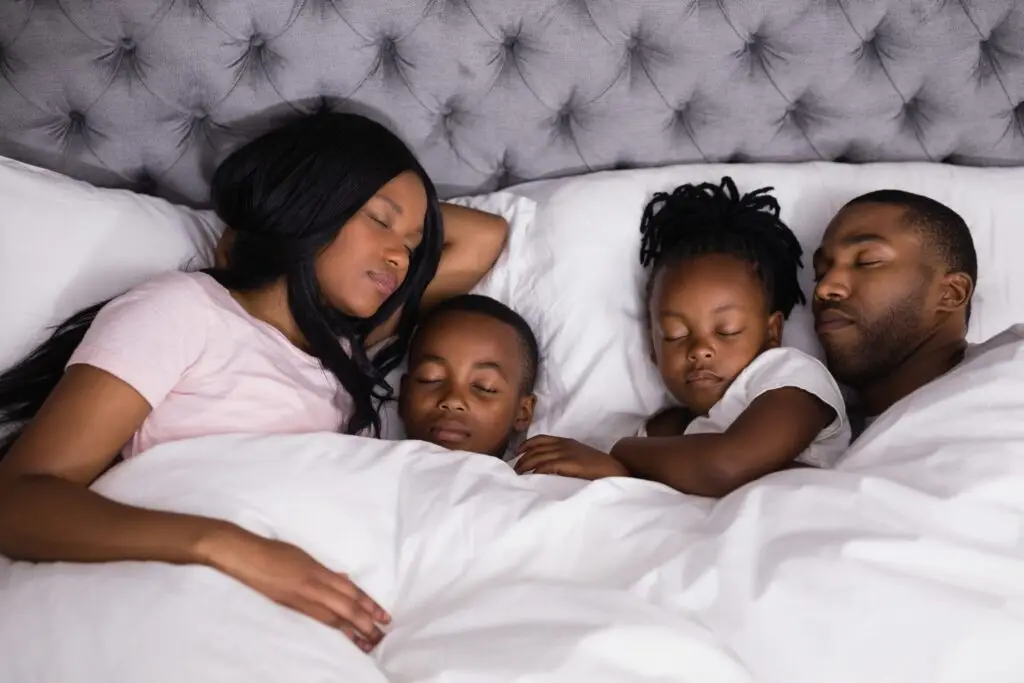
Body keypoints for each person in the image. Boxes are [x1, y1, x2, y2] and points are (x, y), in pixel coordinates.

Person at [0, 112, 509, 652]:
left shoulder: (345, 354)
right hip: (202, 601)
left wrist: (398, 222)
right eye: (381, 221)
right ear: (309, 203)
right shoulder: (185, 311)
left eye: (412, 244)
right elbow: (17, 499)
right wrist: (232, 548)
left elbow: (484, 238)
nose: (399, 257)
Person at [514, 177, 850, 497]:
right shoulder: (667, 430)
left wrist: (619, 456)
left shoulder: (792, 378)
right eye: (675, 335)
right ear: (652, 348)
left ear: (772, 332)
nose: (700, 349)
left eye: (726, 330)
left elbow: (726, 466)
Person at [811, 190, 977, 435]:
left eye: (868, 261)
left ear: (950, 293)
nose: (824, 288)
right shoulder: (823, 447)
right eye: (820, 272)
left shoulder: (1010, 372)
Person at [400, 294, 538, 458]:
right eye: (431, 379)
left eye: (485, 387)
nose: (453, 401)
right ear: (403, 394)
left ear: (522, 412)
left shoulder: (545, 482)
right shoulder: (364, 461)